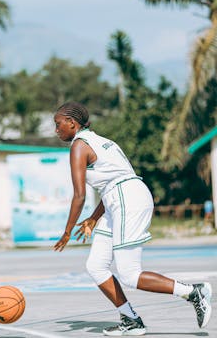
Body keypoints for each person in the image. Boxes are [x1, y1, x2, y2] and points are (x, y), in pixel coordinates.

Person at [53, 102, 212, 336]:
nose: (56, 130)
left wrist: (67, 231)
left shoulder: (79, 145)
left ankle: (192, 292)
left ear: (72, 123)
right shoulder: (104, 142)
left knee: (129, 274)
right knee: (96, 266)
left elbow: (79, 195)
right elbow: (114, 183)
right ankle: (131, 319)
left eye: (58, 125)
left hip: (126, 200)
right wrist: (94, 218)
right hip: (120, 199)